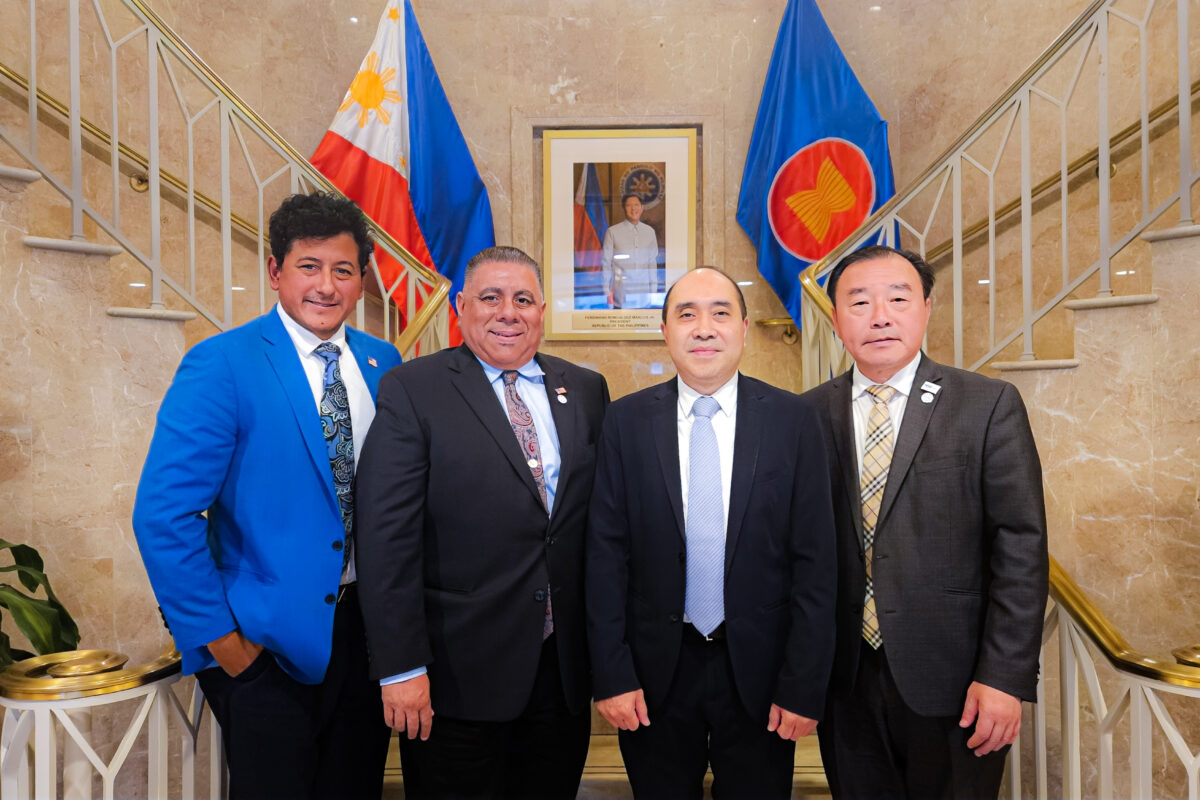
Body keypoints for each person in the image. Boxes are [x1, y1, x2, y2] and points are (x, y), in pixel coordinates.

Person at [132, 192, 401, 799]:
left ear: (362, 279)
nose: (326, 285)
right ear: (276, 271)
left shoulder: (383, 363)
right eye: (309, 266)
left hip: (365, 639)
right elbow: (163, 516)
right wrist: (227, 649)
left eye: (343, 269)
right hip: (264, 648)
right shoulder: (222, 363)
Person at [355, 245, 610, 799]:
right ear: (461, 308)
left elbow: (597, 529)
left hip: (561, 675)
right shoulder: (413, 389)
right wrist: (400, 668)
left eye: (523, 300)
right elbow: (385, 538)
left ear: (542, 310)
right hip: (456, 677)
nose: (508, 313)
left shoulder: (586, 389)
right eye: (491, 298)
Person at [807, 245, 1049, 799]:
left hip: (958, 684)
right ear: (837, 319)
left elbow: (1020, 548)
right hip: (844, 683)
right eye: (859, 302)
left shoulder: (986, 404)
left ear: (926, 308)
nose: (880, 317)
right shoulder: (805, 414)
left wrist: (1003, 677)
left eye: (898, 299)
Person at [586, 266, 837, 799]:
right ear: (665, 330)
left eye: (720, 313)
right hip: (654, 673)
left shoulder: (794, 420)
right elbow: (605, 557)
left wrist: (803, 682)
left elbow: (816, 563)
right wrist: (611, 674)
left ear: (743, 328)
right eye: (686, 314)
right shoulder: (625, 422)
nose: (704, 328)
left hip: (761, 674)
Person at [601, 193, 659, 309]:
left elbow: (652, 264)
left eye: (636, 205)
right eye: (629, 205)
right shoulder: (612, 232)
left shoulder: (650, 232)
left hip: (644, 296)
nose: (633, 209)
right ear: (624, 208)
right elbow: (606, 264)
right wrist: (606, 291)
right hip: (620, 295)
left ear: (642, 207)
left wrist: (654, 291)